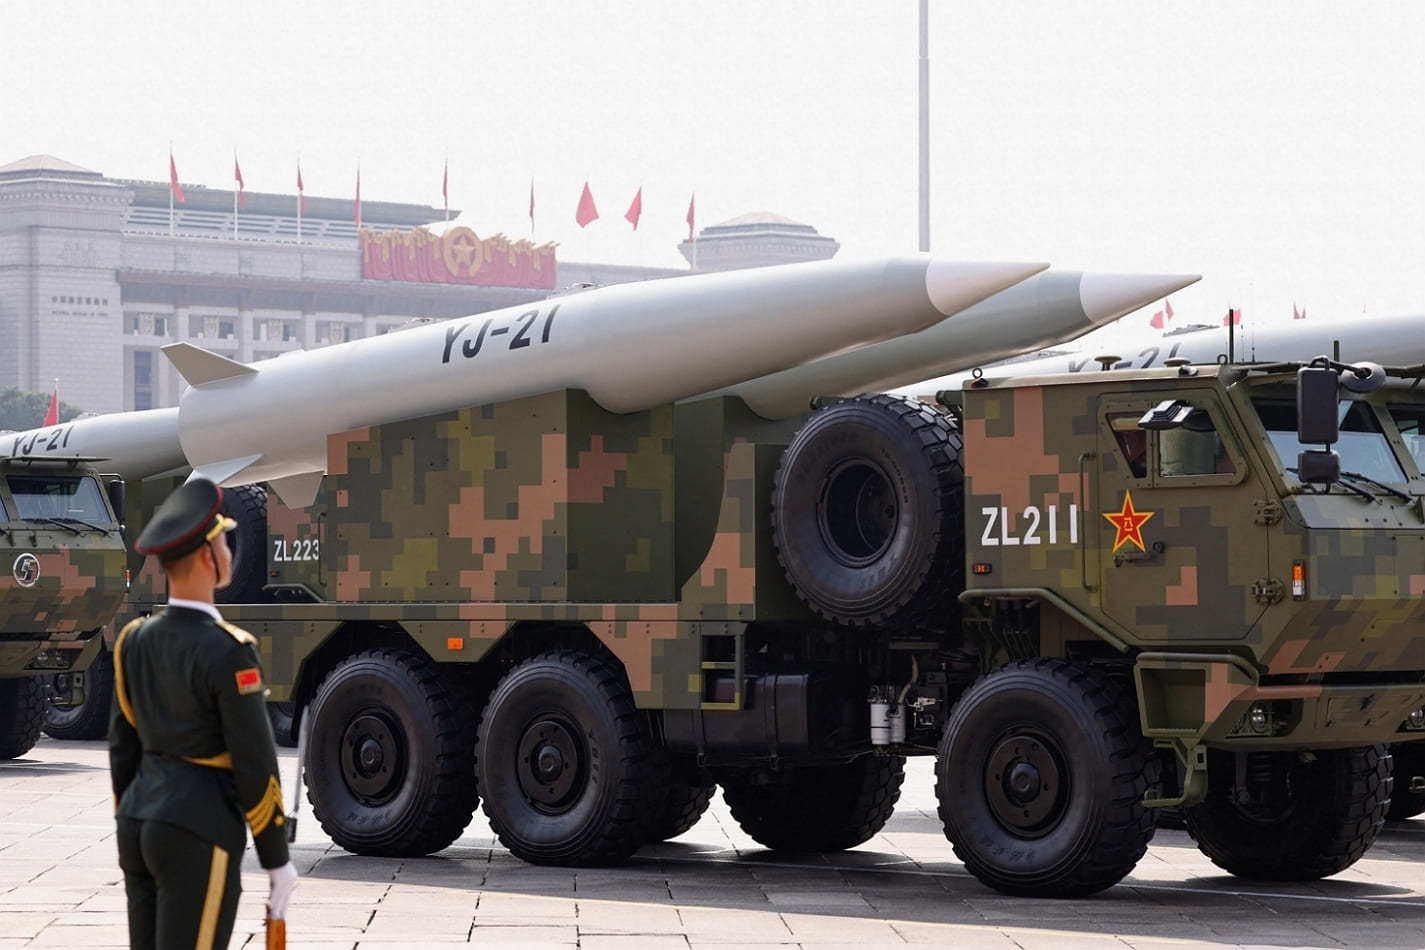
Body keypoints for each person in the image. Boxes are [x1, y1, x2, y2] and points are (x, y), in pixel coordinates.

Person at [109, 478, 297, 950]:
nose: (228, 550)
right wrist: (276, 857)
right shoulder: (229, 650)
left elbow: (122, 749)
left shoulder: (134, 640)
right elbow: (254, 760)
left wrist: (134, 813)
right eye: (222, 541)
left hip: (138, 823)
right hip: (197, 827)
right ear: (207, 558)